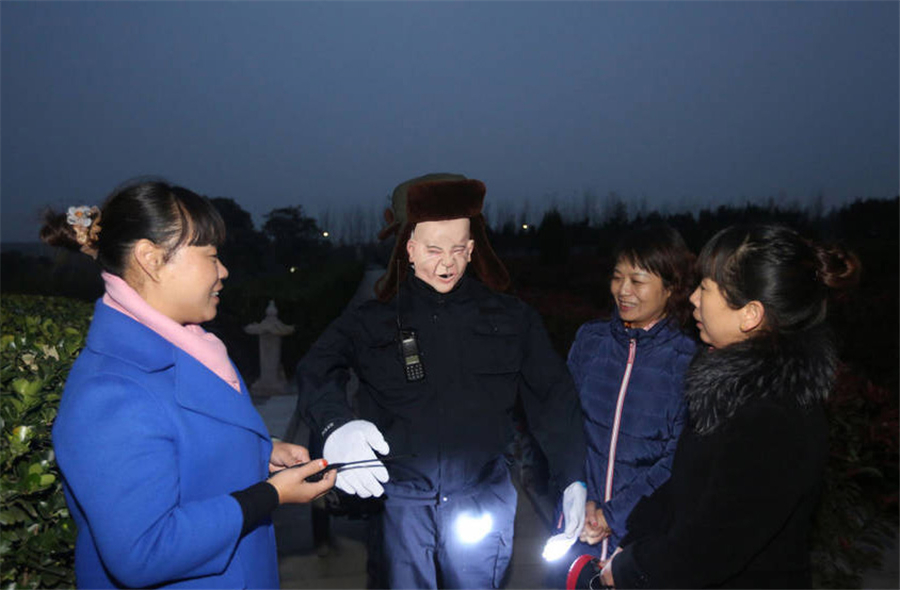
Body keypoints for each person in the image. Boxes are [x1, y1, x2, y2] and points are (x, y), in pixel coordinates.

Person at [295, 173, 587, 589]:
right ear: (409, 251)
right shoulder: (371, 320)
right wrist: (335, 424)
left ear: (471, 250)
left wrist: (572, 475)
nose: (446, 263)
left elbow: (553, 396)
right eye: (433, 250)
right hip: (400, 504)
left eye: (457, 250)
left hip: (482, 500)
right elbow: (315, 368)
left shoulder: (511, 318)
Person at [41, 180, 335, 589]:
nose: (224, 271)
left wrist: (259, 450)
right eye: (211, 255)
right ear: (151, 259)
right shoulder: (109, 393)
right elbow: (143, 552)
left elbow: (183, 445)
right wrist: (269, 496)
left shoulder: (190, 347)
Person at [601, 224, 860, 589]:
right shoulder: (730, 389)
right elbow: (690, 488)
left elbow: (712, 545)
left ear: (749, 314)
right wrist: (634, 535)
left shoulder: (774, 418)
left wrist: (634, 569)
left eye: (705, 287)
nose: (692, 298)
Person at [560, 225, 698, 577]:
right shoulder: (590, 342)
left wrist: (613, 515)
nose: (623, 290)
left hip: (642, 538)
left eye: (637, 281)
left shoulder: (689, 362)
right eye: (617, 277)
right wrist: (578, 495)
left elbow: (677, 459)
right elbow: (564, 425)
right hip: (578, 526)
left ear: (671, 287)